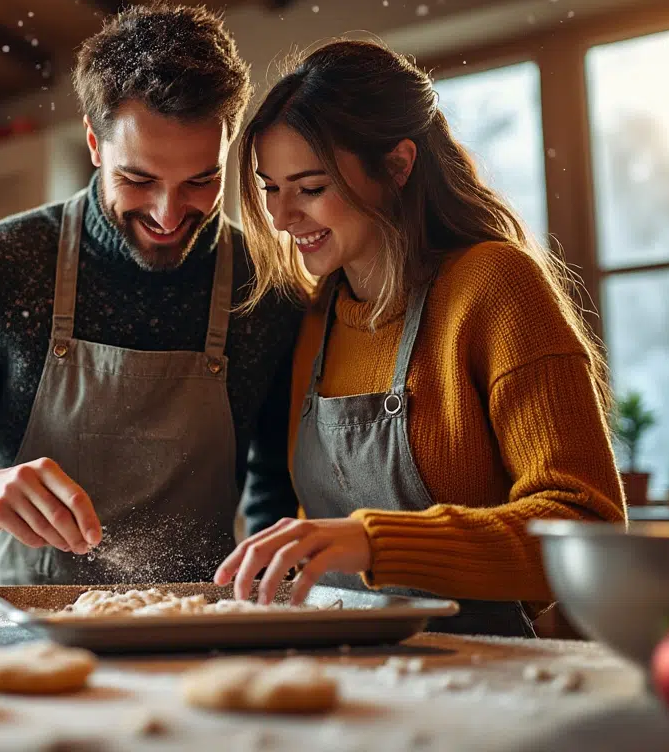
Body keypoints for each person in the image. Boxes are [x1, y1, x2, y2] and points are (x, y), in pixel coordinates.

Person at [0, 3, 303, 586]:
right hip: (30, 635)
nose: (168, 214)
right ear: (95, 144)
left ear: (228, 148)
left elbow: (275, 485)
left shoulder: (266, 284)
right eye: (139, 179)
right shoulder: (1, 262)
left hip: (200, 634)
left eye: (202, 179)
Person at [213, 39, 626, 636]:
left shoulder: (494, 287)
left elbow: (586, 528)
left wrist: (375, 542)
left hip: (485, 674)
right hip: (341, 671)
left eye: (309, 188)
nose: (281, 217)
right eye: (270, 188)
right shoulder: (311, 317)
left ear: (398, 165)